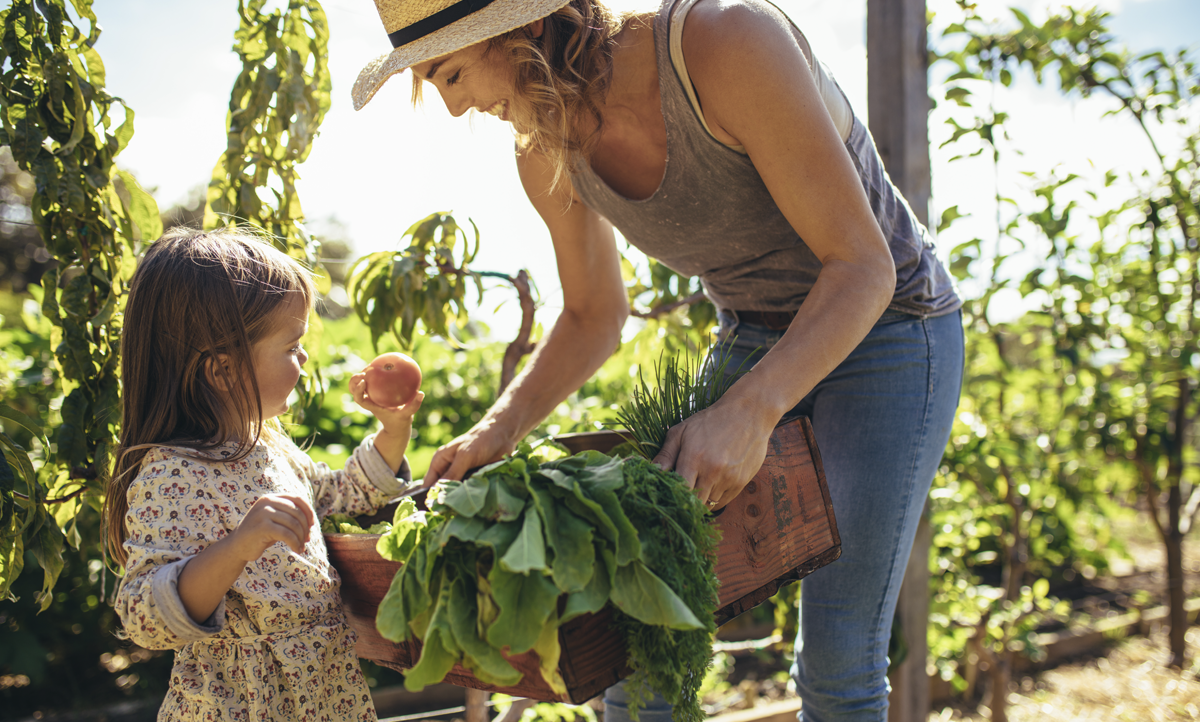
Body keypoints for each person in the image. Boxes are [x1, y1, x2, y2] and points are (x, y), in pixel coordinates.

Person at [353, 0, 963, 719]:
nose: (456, 108)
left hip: (890, 329)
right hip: (753, 332)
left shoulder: (726, 42)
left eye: (452, 73)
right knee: (641, 631)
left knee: (837, 655)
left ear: (522, 28)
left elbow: (863, 267)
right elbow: (592, 315)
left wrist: (750, 409)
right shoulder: (543, 149)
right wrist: (499, 427)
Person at [105, 228, 424, 722]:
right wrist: (238, 546)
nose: (304, 359)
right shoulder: (172, 474)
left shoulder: (270, 449)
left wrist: (393, 430)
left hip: (321, 688)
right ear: (224, 371)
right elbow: (144, 614)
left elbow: (345, 494)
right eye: (292, 345)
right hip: (245, 700)